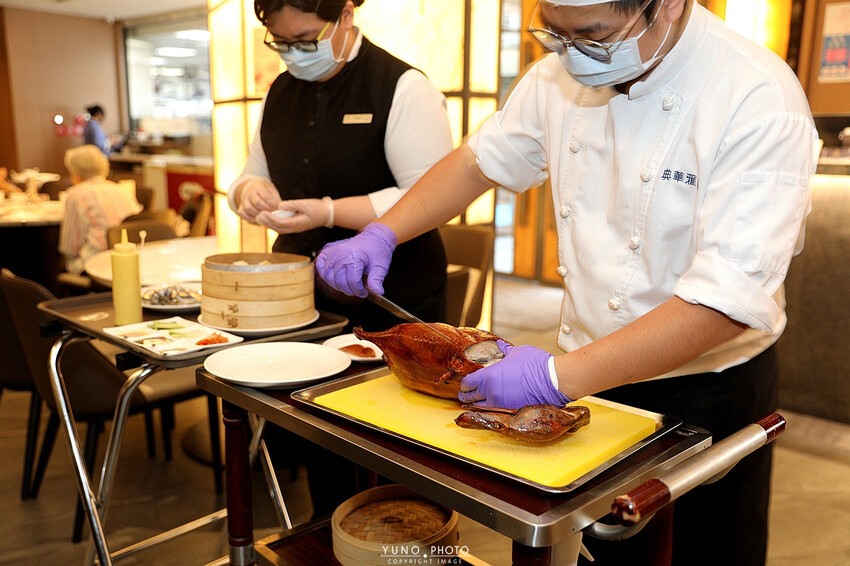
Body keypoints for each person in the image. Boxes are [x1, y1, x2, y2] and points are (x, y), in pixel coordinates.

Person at [314, 1, 818, 565]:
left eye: (594, 35)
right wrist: (384, 231)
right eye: (556, 34)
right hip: (591, 376)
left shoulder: (758, 97)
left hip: (707, 388)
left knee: (701, 550)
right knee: (597, 549)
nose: (572, 54)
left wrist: (556, 376)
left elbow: (724, 301)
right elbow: (477, 163)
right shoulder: (557, 75)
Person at [227, 0, 453, 517]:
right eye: (281, 43)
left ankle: (402, 540)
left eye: (306, 40)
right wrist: (249, 192)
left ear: (346, 16)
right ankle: (330, 532)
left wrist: (329, 211)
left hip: (392, 292)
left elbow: (429, 193)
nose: (294, 55)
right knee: (318, 427)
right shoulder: (279, 92)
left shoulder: (401, 87)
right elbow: (248, 172)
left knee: (395, 443)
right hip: (303, 295)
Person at [59, 145, 142, 274]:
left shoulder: (75, 195)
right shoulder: (123, 191)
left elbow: (69, 248)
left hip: (96, 265)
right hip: (130, 262)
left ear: (76, 174)